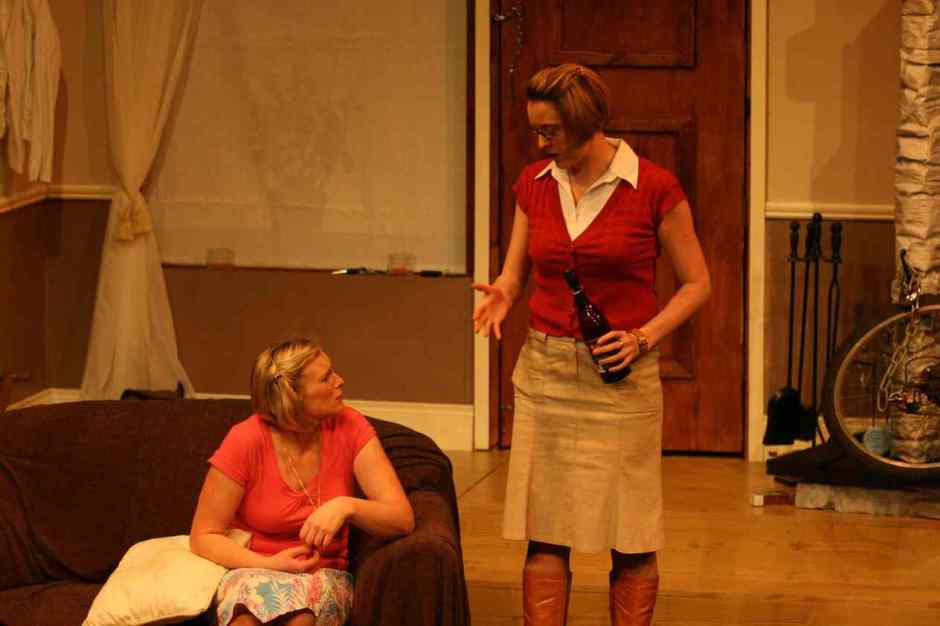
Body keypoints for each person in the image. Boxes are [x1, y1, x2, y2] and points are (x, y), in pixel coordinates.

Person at [472, 64, 711, 626]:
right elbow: (516, 271)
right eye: (537, 130)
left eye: (550, 131)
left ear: (585, 124)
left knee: (632, 533)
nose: (541, 142)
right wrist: (504, 292)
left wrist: (643, 337)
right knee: (546, 530)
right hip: (547, 374)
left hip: (621, 382)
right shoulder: (534, 184)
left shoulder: (652, 188)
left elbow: (698, 283)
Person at [190, 339, 415, 626]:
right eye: (326, 378)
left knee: (301, 619)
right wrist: (269, 564)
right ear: (292, 396)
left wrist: (346, 506)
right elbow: (203, 536)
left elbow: (402, 519)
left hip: (322, 574)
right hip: (252, 569)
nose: (340, 381)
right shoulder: (245, 439)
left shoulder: (350, 426)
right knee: (244, 619)